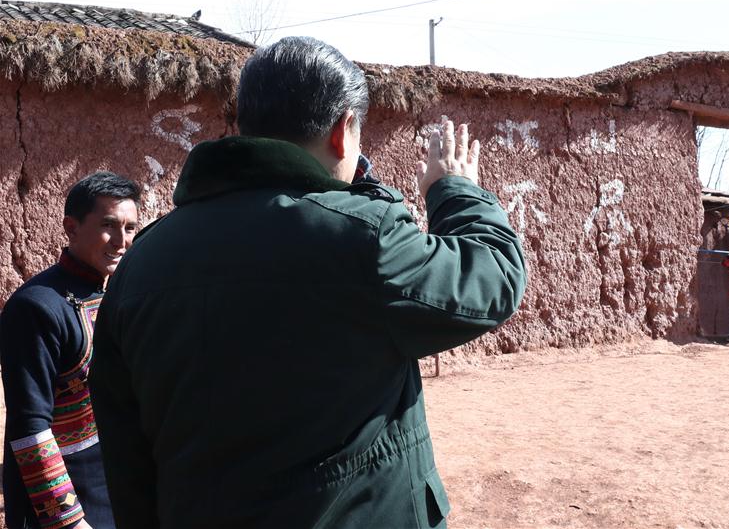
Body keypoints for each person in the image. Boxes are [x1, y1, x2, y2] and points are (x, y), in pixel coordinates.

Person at [88, 36, 527, 529]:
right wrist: (454, 189)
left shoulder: (140, 263)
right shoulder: (363, 241)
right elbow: (492, 276)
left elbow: (126, 459)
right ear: (344, 130)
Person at [1, 171, 140, 529]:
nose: (121, 241)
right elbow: (30, 427)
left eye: (130, 228)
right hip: (63, 499)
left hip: (113, 482)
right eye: (109, 225)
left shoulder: (117, 293)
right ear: (71, 227)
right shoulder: (37, 308)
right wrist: (70, 521)